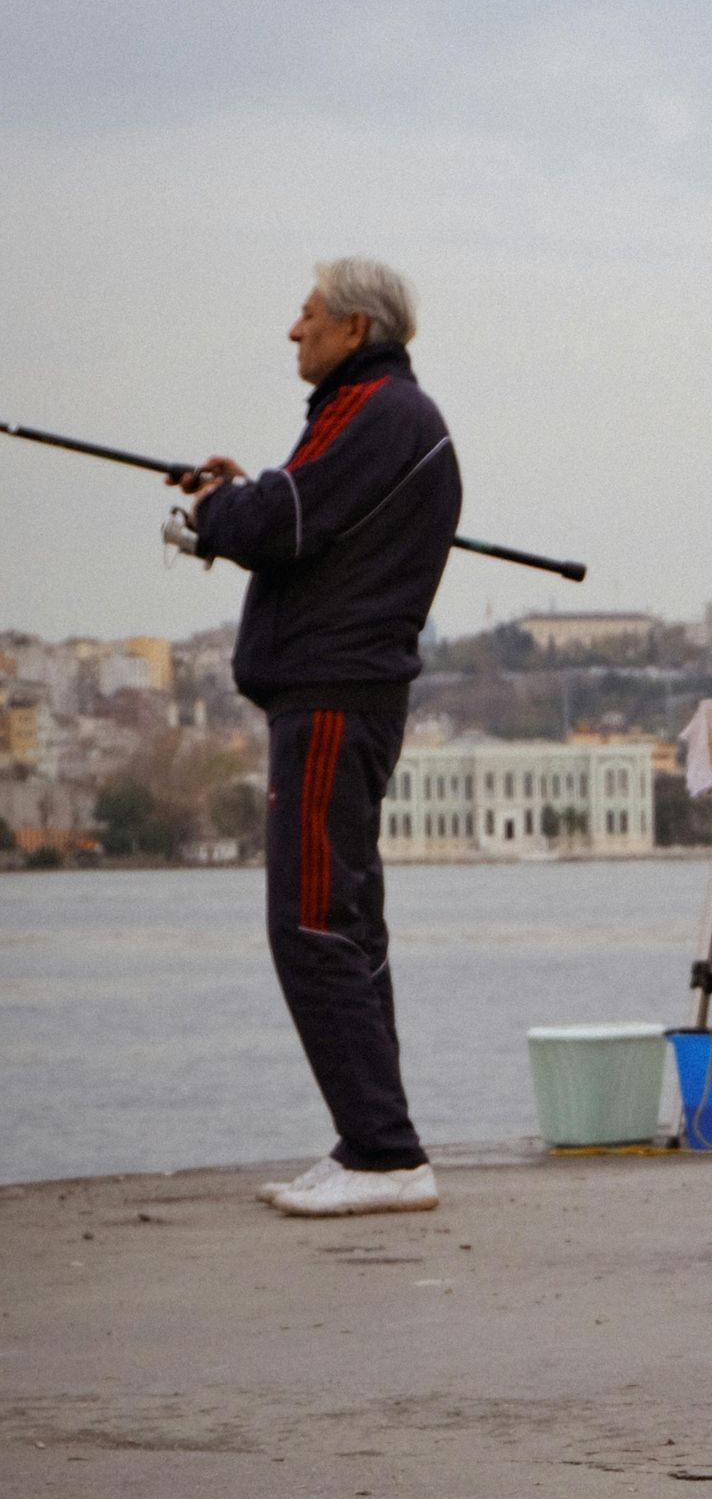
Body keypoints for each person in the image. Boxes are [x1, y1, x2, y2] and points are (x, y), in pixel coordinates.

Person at [179, 259, 462, 1211]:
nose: (290, 331)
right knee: (344, 921)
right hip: (351, 698)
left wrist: (221, 511)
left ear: (353, 327)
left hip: (334, 700)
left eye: (305, 315)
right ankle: (372, 1145)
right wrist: (241, 499)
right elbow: (305, 510)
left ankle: (384, 1156)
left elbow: (285, 519)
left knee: (309, 921)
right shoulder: (389, 418)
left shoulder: (372, 404)